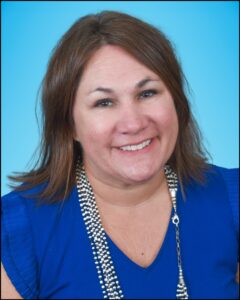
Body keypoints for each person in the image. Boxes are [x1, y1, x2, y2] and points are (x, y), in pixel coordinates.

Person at [1, 11, 239, 300]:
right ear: (69, 125)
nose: (134, 123)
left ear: (176, 100)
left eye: (147, 93)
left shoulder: (231, 198)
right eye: (104, 102)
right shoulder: (17, 230)